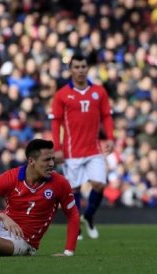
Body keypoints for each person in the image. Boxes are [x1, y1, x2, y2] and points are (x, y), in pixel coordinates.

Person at [49, 53, 115, 239]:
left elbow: (107, 116)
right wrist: (57, 148)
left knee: (100, 184)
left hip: (94, 149)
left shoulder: (99, 92)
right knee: (75, 190)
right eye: (76, 67)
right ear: (70, 70)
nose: (80, 70)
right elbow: (55, 123)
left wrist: (110, 137)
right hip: (72, 152)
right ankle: (76, 226)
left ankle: (89, 215)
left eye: (83, 67)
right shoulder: (62, 95)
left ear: (88, 68)